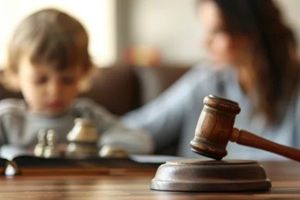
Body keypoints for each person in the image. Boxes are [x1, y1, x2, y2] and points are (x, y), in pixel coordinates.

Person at [122, 0, 300, 160]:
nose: (205, 42)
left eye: (217, 31)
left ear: (250, 31)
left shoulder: (295, 90)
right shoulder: (204, 82)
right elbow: (137, 129)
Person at [0, 8, 153, 158]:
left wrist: (90, 147)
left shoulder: (87, 115)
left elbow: (142, 142)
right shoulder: (7, 119)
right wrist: (12, 152)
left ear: (83, 73)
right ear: (15, 73)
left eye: (67, 79)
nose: (55, 91)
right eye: (40, 80)